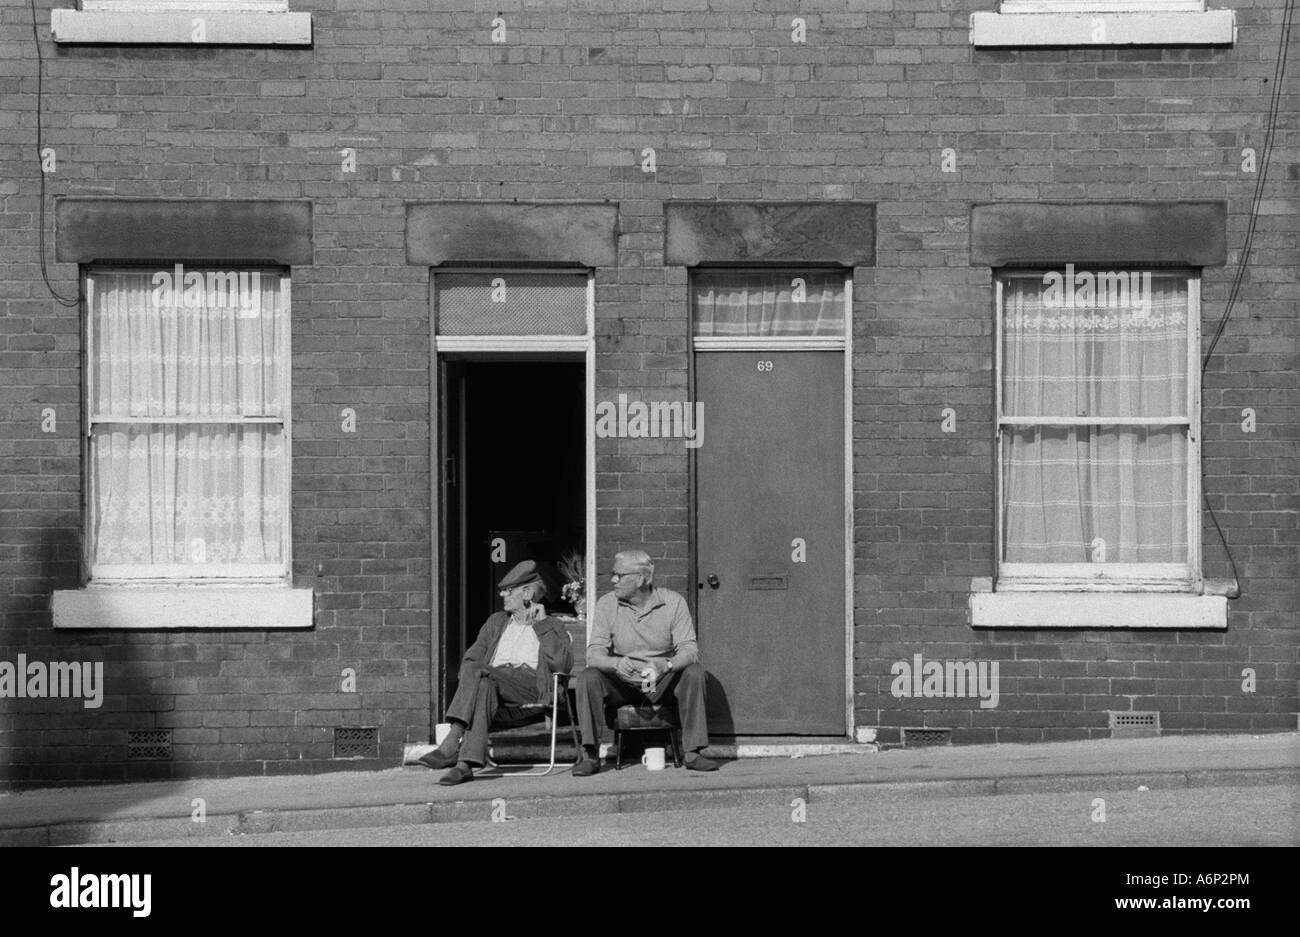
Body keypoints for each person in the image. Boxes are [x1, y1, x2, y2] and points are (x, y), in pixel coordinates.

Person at [419, 560, 574, 786]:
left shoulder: (552, 625)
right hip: (495, 684)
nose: (503, 595)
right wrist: (479, 675)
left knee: (478, 671)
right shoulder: (496, 622)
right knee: (482, 685)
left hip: (530, 688)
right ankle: (465, 765)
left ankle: (452, 741)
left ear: (528, 593)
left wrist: (541, 626)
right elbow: (471, 659)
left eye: (509, 591)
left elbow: (562, 665)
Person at [573, 550, 719, 775]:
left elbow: (690, 650)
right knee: (588, 676)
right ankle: (590, 755)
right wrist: (614, 663)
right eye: (613, 574)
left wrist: (665, 665)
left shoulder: (673, 603)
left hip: (661, 683)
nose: (613, 580)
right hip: (623, 683)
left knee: (694, 672)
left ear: (640, 579)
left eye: (618, 575)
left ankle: (693, 752)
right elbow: (593, 654)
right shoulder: (607, 604)